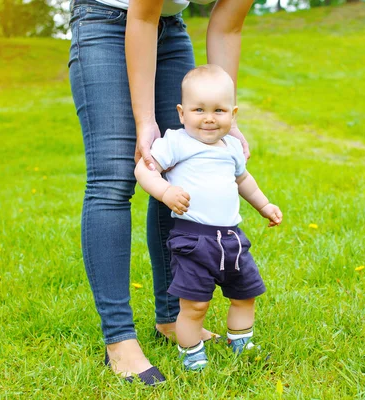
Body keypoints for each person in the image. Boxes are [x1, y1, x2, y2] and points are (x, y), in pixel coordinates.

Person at [68, 0, 254, 386]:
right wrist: (145, 121)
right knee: (115, 177)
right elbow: (141, 15)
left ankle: (171, 318)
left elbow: (226, 27)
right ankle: (119, 340)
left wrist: (225, 117)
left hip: (171, 29)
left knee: (176, 174)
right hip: (106, 22)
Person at [135, 65, 283, 371]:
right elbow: (143, 169)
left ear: (233, 114)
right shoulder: (176, 142)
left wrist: (264, 205)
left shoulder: (231, 147)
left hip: (232, 239)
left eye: (219, 110)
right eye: (198, 109)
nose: (209, 118)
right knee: (195, 304)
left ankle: (241, 343)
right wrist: (164, 192)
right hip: (193, 239)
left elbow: (243, 181)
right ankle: (192, 355)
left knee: (245, 296)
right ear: (181, 113)